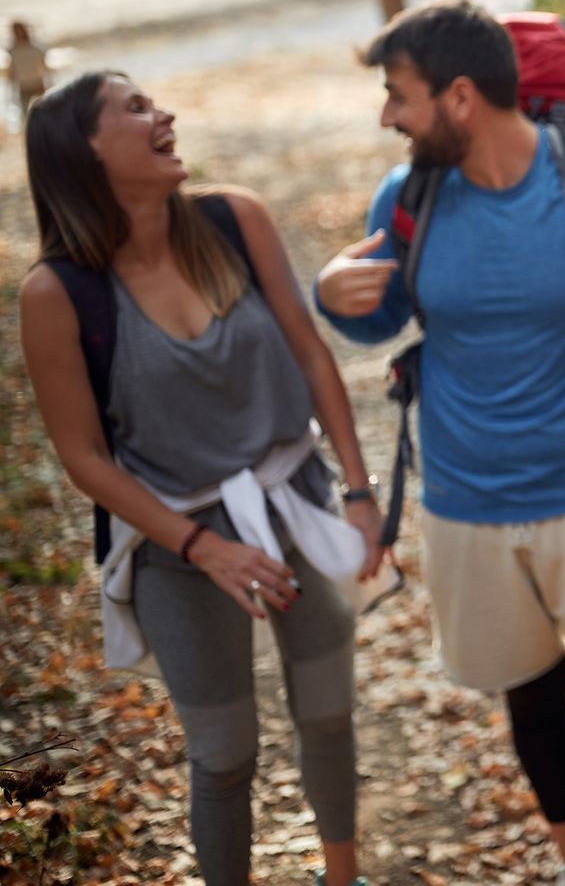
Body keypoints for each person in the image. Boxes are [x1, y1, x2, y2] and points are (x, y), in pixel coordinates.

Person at [312, 0, 565, 886]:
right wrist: (332, 296)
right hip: (465, 505)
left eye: (398, 96)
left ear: (460, 97)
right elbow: (380, 318)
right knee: (529, 696)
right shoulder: (410, 197)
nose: (387, 117)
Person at [18, 72, 383, 886]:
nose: (165, 114)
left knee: (328, 714)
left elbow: (310, 351)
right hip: (172, 546)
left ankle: (343, 876)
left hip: (293, 505)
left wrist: (359, 494)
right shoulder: (57, 293)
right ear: (85, 149)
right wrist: (203, 547)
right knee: (224, 754)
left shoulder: (234, 219)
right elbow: (84, 458)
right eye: (136, 108)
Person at [10, 19, 48, 122]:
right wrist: (11, 88)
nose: (19, 33)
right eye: (16, 31)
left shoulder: (35, 47)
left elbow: (44, 64)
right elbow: (12, 70)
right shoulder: (12, 50)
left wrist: (49, 81)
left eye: (20, 30)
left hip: (38, 84)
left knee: (45, 113)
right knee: (26, 117)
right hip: (24, 87)